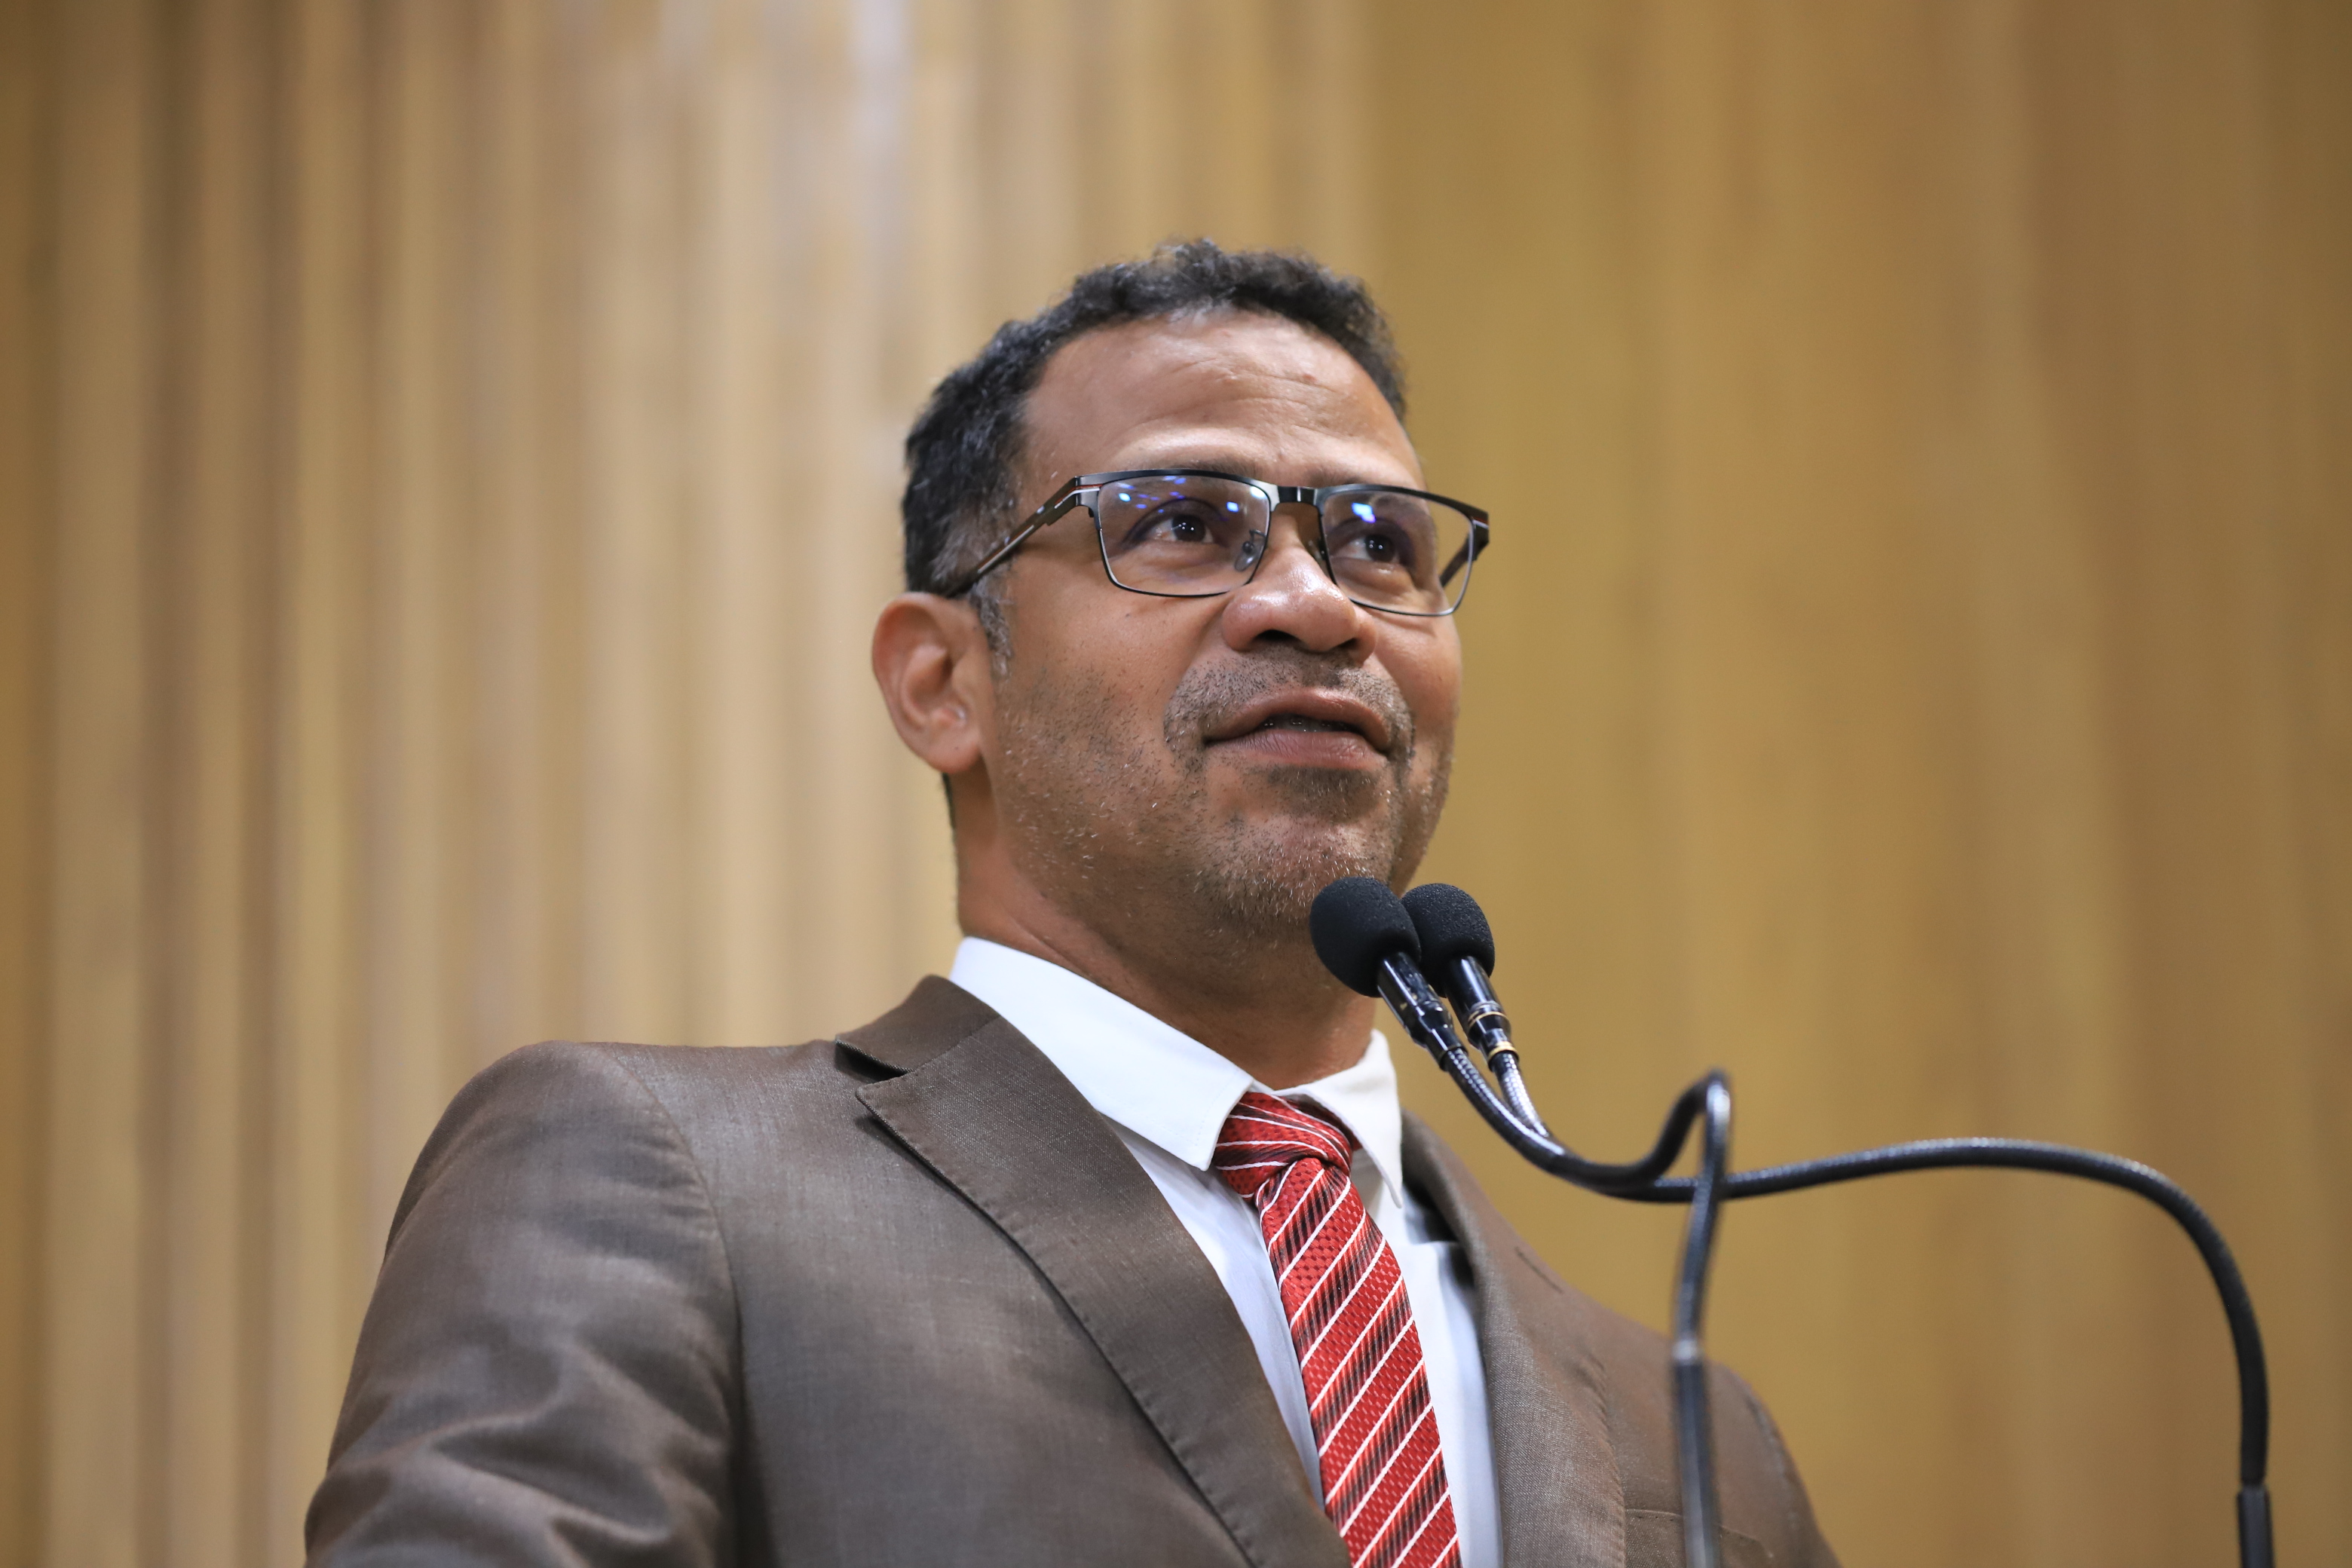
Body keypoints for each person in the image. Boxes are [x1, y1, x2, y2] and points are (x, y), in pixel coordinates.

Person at [306, 242, 1838, 1568]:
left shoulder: (1694, 1426)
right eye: (1183, 521)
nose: (1315, 603)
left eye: (1381, 543)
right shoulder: (662, 1183)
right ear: (942, 681)